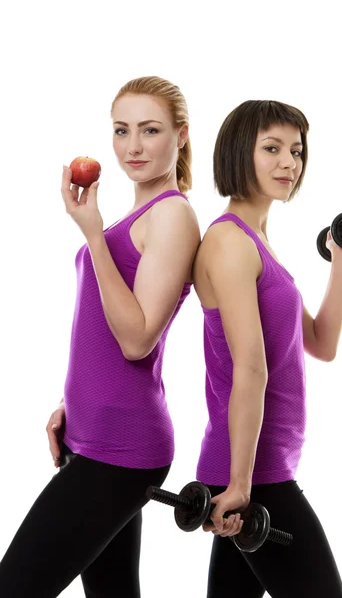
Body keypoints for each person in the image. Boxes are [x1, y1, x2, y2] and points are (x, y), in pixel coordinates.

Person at [0, 75, 200, 597]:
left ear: (180, 136)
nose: (133, 146)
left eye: (150, 130)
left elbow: (136, 340)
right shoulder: (141, 215)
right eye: (121, 129)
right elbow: (100, 330)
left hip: (123, 445)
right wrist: (72, 401)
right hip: (93, 434)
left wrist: (92, 231)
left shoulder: (173, 217)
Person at [193, 100, 342, 597]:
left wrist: (340, 262)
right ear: (241, 152)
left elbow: (321, 344)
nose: (289, 163)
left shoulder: (258, 242)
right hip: (255, 473)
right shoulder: (229, 242)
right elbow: (251, 369)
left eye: (296, 151)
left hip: (262, 465)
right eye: (272, 148)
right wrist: (239, 486)